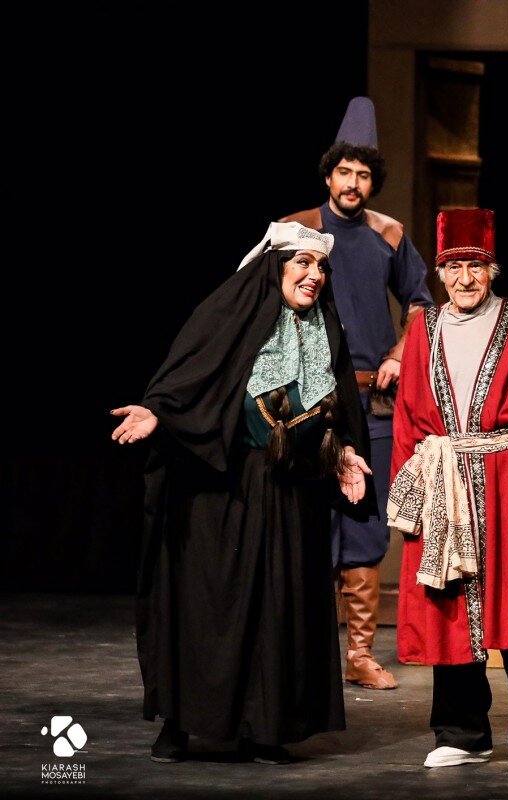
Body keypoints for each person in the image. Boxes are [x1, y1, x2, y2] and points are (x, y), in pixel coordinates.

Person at [110, 221, 374, 765]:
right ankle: (182, 724)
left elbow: (334, 407)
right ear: (274, 268)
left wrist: (342, 453)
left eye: (321, 266)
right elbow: (191, 378)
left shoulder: (326, 330)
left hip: (290, 494)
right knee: (213, 609)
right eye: (302, 263)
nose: (314, 275)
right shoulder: (231, 317)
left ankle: (266, 726)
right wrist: (158, 412)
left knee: (280, 608)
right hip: (222, 491)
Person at [387, 208, 508, 773]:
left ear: (492, 270)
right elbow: (407, 418)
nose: (465, 279)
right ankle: (463, 731)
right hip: (443, 477)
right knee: (448, 604)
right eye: (453, 267)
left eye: (475, 266)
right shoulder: (422, 328)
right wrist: (411, 493)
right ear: (440, 273)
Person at [280, 96, 433, 690]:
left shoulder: (388, 234)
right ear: (328, 175)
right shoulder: (299, 229)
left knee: (366, 523)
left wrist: (398, 354)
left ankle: (361, 655)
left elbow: (421, 302)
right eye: (345, 171)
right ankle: (303, 651)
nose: (353, 182)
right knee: (308, 521)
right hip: (308, 403)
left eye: (364, 174)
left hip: (371, 404)